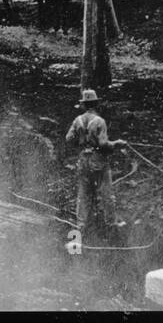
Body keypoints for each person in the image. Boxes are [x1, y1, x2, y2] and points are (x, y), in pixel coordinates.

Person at [65, 89, 128, 233]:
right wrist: (117, 143)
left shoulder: (77, 120)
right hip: (98, 161)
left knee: (83, 193)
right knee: (106, 192)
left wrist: (82, 145)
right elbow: (103, 144)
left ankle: (81, 224)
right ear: (96, 104)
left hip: (83, 160)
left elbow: (68, 138)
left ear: (84, 105)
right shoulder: (100, 121)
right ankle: (111, 223)